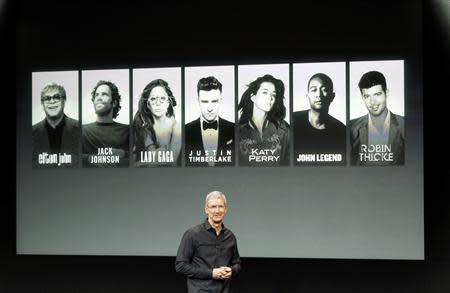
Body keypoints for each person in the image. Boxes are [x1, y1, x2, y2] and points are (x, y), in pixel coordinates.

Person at [175, 191, 241, 293]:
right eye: (213, 207)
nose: (217, 210)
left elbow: (237, 264)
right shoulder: (193, 234)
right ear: (206, 209)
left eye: (221, 206)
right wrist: (211, 273)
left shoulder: (230, 237)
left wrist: (232, 271)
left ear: (226, 209)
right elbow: (180, 265)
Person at [349, 70, 405, 165]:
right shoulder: (351, 127)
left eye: (377, 95)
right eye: (367, 96)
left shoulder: (405, 125)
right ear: (362, 97)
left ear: (386, 93)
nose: (372, 102)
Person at [293, 73, 346, 165]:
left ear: (332, 96)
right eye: (314, 90)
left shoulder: (342, 131)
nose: (319, 94)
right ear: (307, 96)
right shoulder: (293, 121)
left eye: (324, 90)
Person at [238, 74, 290, 166]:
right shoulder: (238, 131)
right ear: (253, 97)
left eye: (273, 94)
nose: (270, 98)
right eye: (265, 92)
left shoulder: (284, 129)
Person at [185, 76, 235, 167]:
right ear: (198, 101)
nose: (209, 108)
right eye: (204, 102)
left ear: (221, 101)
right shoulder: (184, 131)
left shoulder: (235, 129)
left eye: (214, 101)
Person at [132, 79, 181, 166]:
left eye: (162, 98)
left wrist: (140, 164)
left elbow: (172, 161)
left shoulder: (177, 127)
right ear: (148, 104)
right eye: (153, 98)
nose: (158, 103)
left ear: (168, 103)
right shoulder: (144, 128)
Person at [82, 80, 130, 167]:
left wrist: (124, 154)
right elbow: (72, 157)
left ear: (114, 103)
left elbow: (138, 158)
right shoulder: (82, 131)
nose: (99, 98)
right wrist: (91, 158)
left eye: (104, 94)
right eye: (97, 95)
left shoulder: (127, 130)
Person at [32, 82, 80, 168]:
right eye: (47, 98)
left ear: (64, 101)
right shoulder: (30, 133)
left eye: (56, 97)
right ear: (42, 104)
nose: (52, 101)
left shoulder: (80, 129)